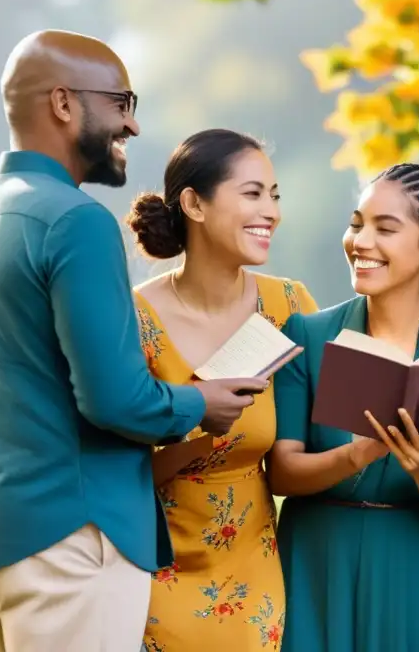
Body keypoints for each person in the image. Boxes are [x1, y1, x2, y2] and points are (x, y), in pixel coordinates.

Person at [0, 30, 263, 652]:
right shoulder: (77, 222)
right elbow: (115, 402)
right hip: (72, 538)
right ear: (65, 104)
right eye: (122, 103)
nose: (133, 126)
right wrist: (200, 403)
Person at [268, 152, 419, 652]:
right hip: (315, 563)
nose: (361, 243)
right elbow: (281, 472)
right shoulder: (307, 337)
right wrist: (356, 454)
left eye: (385, 228)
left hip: (416, 571)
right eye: (357, 224)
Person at [126, 129, 320, 651]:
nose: (271, 212)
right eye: (253, 193)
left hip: (255, 577)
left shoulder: (291, 307)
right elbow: (119, 471)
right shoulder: (132, 317)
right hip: (152, 573)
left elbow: (320, 434)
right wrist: (201, 427)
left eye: (275, 196)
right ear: (194, 203)